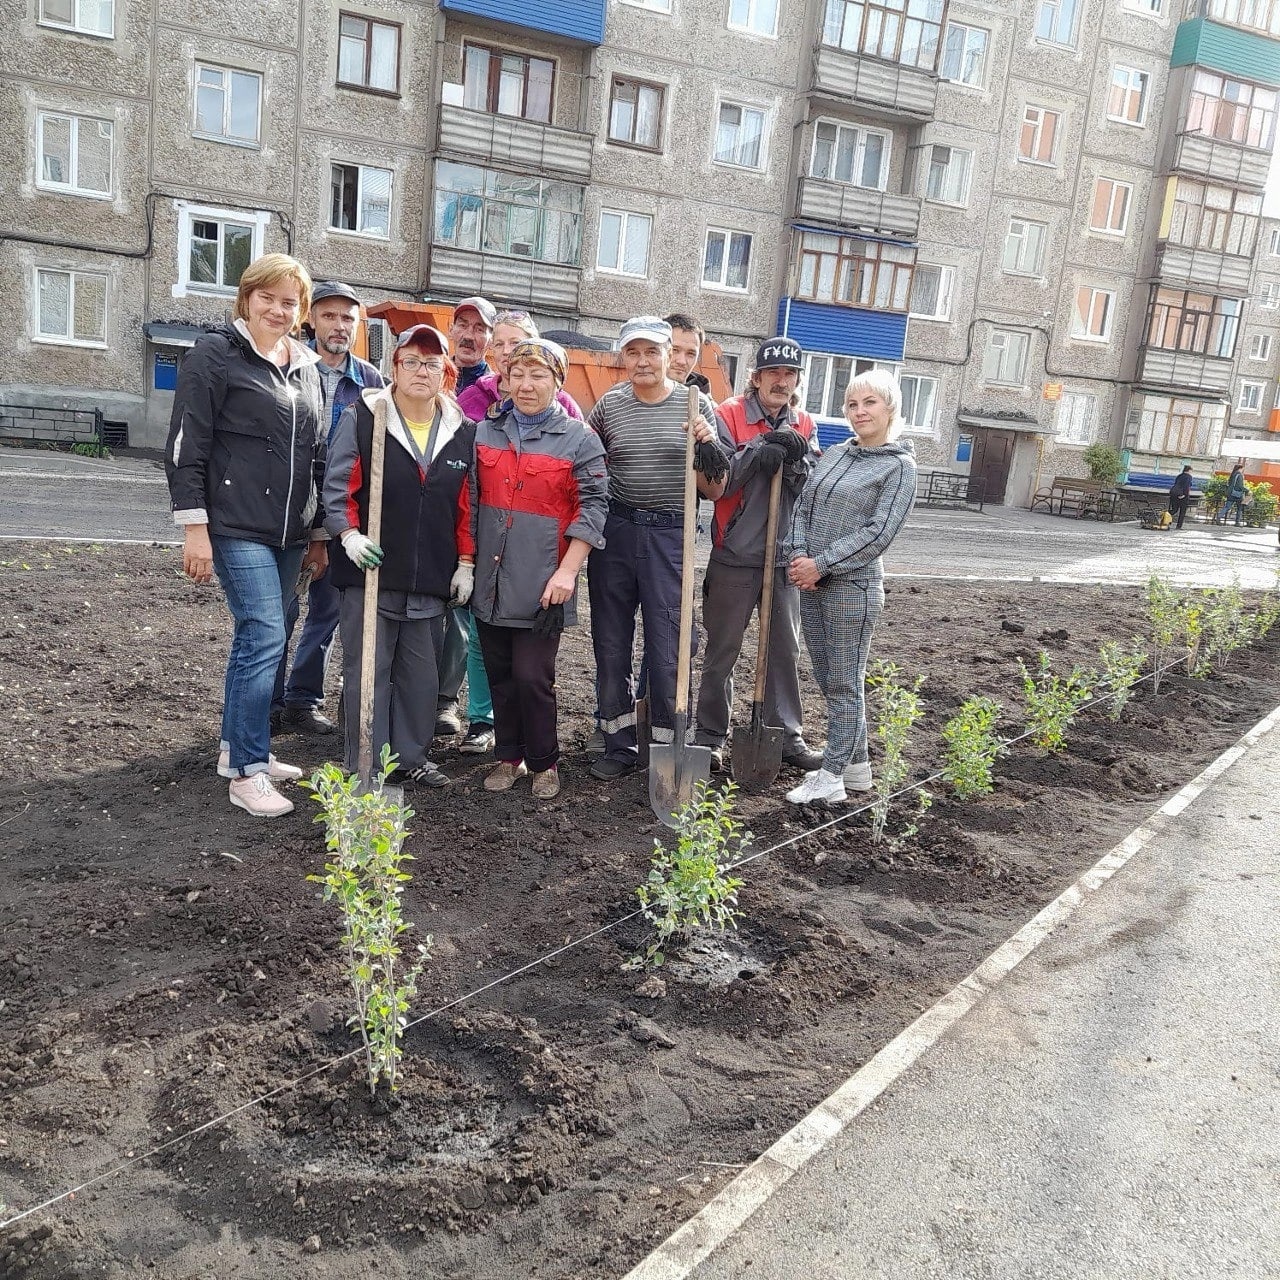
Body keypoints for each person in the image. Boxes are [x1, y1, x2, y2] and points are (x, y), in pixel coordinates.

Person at [165, 252, 326, 818]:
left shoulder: (305, 367)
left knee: (267, 636)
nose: (278, 310)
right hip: (233, 524)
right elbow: (188, 446)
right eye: (268, 298)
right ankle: (247, 773)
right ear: (246, 298)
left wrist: (318, 533)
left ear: (301, 311)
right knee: (262, 633)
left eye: (290, 302)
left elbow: (317, 453)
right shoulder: (215, 356)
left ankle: (239, 750)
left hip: (289, 531)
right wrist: (195, 529)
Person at [323, 324, 477, 788]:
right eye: (411, 361)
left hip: (430, 575)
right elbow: (337, 488)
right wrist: (347, 535)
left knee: (420, 677)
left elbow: (467, 507)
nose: (420, 371)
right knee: (369, 671)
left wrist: (465, 563)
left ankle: (411, 757)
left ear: (446, 373)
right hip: (370, 573)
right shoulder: (365, 417)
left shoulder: (462, 432)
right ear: (395, 367)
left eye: (431, 363)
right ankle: (364, 761)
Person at [586, 316, 730, 780]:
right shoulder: (609, 407)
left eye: (653, 352)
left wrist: (707, 447)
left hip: (671, 534)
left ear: (671, 355)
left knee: (667, 643)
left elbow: (714, 489)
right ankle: (617, 742)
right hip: (617, 530)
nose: (643, 361)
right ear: (622, 358)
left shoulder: (696, 404)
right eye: (634, 352)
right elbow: (589, 465)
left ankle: (666, 741)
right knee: (611, 640)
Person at [469, 339, 607, 798]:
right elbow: (468, 501)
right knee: (500, 675)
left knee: (532, 677)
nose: (526, 385)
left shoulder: (580, 440)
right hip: (489, 580)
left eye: (538, 376)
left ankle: (545, 761)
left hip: (544, 581)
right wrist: (466, 562)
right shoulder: (485, 432)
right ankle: (509, 757)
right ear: (504, 380)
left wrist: (568, 572)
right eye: (517, 375)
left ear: (557, 381)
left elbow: (594, 509)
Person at [783, 369, 917, 807]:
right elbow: (803, 505)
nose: (859, 412)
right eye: (852, 405)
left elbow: (879, 534)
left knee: (844, 684)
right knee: (828, 678)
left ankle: (832, 776)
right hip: (811, 581)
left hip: (851, 590)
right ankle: (857, 768)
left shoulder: (899, 467)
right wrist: (801, 558)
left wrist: (821, 564)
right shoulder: (838, 453)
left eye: (869, 403)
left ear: (890, 407)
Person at [695, 336, 823, 774]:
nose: (781, 382)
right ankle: (710, 736)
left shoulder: (804, 422)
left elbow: (811, 492)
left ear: (797, 381)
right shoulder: (728, 414)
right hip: (734, 553)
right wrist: (758, 450)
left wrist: (798, 456)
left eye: (790, 375)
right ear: (757, 377)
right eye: (773, 373)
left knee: (784, 651)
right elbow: (719, 481)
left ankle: (786, 735)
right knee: (722, 650)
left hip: (783, 558)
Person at [273, 281, 386, 735]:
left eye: (348, 318)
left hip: (343, 513)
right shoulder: (286, 367)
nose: (339, 326)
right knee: (278, 610)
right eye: (329, 316)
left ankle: (302, 699)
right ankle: (268, 699)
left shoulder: (373, 383)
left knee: (328, 609)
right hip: (285, 508)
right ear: (310, 319)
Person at [436, 295, 498, 739]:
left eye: (480, 328)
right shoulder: (429, 371)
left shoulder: (496, 391)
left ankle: (444, 701)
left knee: (460, 614)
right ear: (451, 328)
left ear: (490, 340)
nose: (470, 335)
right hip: (423, 510)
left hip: (469, 517)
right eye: (463, 324)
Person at [664, 312, 710, 393]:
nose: (681, 361)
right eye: (674, 350)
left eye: (691, 354)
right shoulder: (635, 397)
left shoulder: (706, 404)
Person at [1168, 465, 1194, 530]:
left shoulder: (1179, 476)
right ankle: (1179, 526)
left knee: (1174, 510)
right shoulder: (1189, 477)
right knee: (1182, 512)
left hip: (1174, 495)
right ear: (1189, 470)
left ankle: (1165, 517)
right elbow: (1186, 486)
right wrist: (1183, 495)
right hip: (1183, 497)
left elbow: (1176, 485)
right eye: (1191, 471)